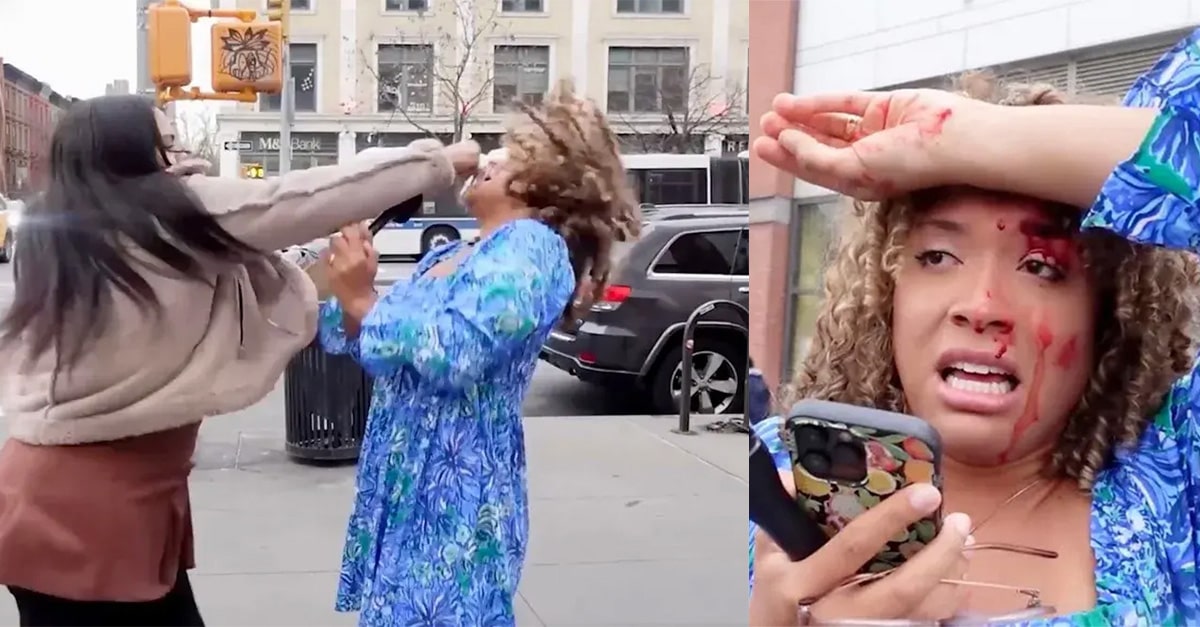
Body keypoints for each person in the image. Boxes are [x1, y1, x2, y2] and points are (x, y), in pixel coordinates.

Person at [748, 27, 1200, 626]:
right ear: (887, 295)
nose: (981, 305)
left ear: (1107, 317)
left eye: (1042, 266)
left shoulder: (1178, 485)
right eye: (937, 256)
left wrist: (968, 138)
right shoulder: (765, 484)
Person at [0, 93, 479, 626]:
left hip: (43, 491)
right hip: (102, 510)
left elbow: (215, 268)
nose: (179, 153)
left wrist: (309, 264)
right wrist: (433, 162)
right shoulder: (170, 211)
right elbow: (295, 197)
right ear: (133, 152)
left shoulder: (57, 232)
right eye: (167, 142)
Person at [319, 81, 641, 625]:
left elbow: (456, 349)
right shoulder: (456, 251)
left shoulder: (532, 249)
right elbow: (367, 340)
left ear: (549, 181)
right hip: (407, 489)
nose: (490, 159)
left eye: (513, 155)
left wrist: (363, 300)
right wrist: (352, 291)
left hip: (456, 498)